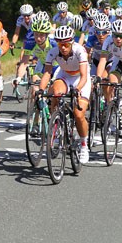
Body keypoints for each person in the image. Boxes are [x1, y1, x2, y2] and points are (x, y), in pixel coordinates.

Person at [37, 25, 91, 164]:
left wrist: (77, 89)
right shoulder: (53, 51)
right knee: (56, 92)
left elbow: (84, 76)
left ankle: (84, 145)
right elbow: (47, 73)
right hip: (65, 75)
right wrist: (41, 90)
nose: (63, 47)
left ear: (71, 42)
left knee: (79, 114)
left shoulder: (80, 51)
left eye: (66, 44)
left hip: (80, 78)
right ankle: (56, 124)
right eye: (60, 44)